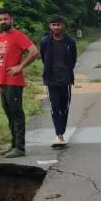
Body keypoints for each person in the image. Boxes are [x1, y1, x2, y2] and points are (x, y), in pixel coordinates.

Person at [0, 8, 38, 158]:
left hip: (14, 82)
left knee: (17, 114)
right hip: (2, 82)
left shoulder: (18, 36)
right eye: (0, 19)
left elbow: (34, 51)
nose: (3, 22)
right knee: (9, 114)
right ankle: (13, 144)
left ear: (11, 20)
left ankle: (20, 147)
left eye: (5, 19)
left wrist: (20, 67)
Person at [39, 15, 77, 148]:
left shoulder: (70, 42)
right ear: (50, 26)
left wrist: (66, 70)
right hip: (51, 80)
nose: (56, 27)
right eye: (53, 25)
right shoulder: (45, 41)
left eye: (58, 25)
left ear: (63, 26)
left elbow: (73, 60)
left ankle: (62, 132)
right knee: (54, 107)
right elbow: (44, 58)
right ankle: (59, 135)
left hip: (65, 79)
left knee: (64, 107)